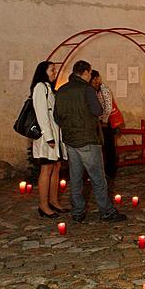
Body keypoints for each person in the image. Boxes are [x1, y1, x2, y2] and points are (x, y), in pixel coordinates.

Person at [54, 60, 126, 223]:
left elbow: (57, 117)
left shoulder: (62, 90)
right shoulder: (86, 89)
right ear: (85, 73)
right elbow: (97, 110)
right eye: (89, 73)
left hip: (70, 139)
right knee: (98, 177)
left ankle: (78, 211)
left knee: (76, 176)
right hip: (87, 138)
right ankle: (106, 211)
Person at [30, 61, 69, 218]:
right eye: (52, 70)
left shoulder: (49, 89)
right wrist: (48, 137)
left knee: (56, 167)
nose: (55, 72)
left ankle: (54, 201)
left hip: (55, 135)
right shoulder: (40, 87)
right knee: (46, 169)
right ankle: (43, 205)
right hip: (47, 136)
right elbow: (41, 114)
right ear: (43, 71)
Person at [90, 70, 119, 179]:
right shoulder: (93, 91)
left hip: (107, 123)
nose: (95, 82)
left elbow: (108, 107)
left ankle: (110, 171)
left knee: (108, 147)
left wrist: (104, 121)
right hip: (98, 122)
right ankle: (100, 171)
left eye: (95, 80)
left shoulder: (104, 90)